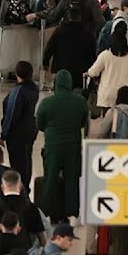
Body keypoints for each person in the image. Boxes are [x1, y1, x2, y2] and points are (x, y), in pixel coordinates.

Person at [35, 70, 89, 222]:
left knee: (50, 179)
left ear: (56, 83)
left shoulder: (47, 102)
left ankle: (46, 211)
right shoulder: (80, 101)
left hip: (53, 146)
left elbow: (39, 124)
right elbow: (83, 122)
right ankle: (71, 211)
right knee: (72, 179)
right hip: (73, 146)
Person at [0, 61, 39, 188]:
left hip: (17, 133)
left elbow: (11, 115)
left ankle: (18, 189)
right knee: (27, 160)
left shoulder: (18, 91)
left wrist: (4, 134)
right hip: (30, 129)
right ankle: (26, 187)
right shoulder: (34, 88)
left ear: (17, 73)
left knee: (17, 164)